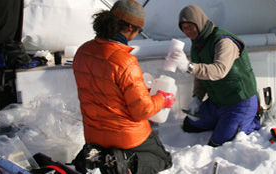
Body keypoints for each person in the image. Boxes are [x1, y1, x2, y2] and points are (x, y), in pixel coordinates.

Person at [72, 0, 173, 173]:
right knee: (163, 159)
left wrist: (142, 91)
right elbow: (142, 110)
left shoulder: (83, 51)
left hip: (93, 134)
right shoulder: (124, 61)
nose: (137, 34)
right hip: (125, 136)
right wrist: (161, 99)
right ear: (129, 27)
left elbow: (105, 89)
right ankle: (123, 162)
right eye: (139, 31)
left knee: (104, 148)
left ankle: (96, 157)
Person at [168, 5, 261, 147]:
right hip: (217, 102)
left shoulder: (223, 41)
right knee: (189, 125)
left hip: (239, 102)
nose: (188, 31)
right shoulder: (197, 44)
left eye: (190, 26)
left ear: (199, 22)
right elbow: (199, 76)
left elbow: (219, 70)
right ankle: (224, 122)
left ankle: (250, 120)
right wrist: (196, 98)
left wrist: (189, 66)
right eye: (184, 28)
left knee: (217, 143)